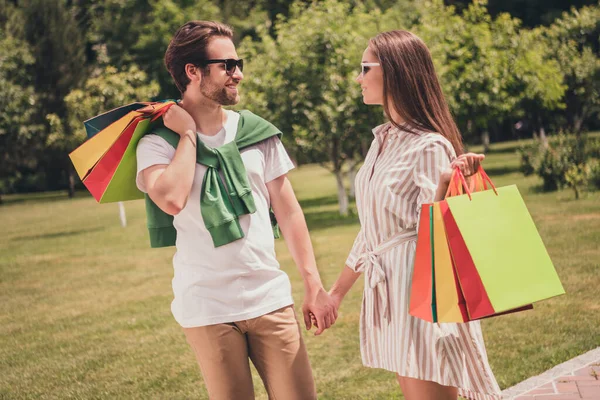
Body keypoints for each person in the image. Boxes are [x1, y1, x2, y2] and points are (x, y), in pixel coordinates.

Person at [135, 20, 336, 400]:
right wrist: (188, 134)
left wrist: (312, 283)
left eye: (237, 63)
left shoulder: (257, 133)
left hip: (270, 298)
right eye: (227, 65)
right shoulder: (157, 143)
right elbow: (171, 198)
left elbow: (290, 213)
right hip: (207, 306)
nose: (238, 74)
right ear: (192, 72)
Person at [325, 30, 502, 400]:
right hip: (393, 294)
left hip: (423, 296)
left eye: (364, 67)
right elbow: (373, 231)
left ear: (394, 72)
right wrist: (336, 294)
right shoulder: (383, 140)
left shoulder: (428, 144)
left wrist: (442, 186)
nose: (358, 78)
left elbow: (438, 234)